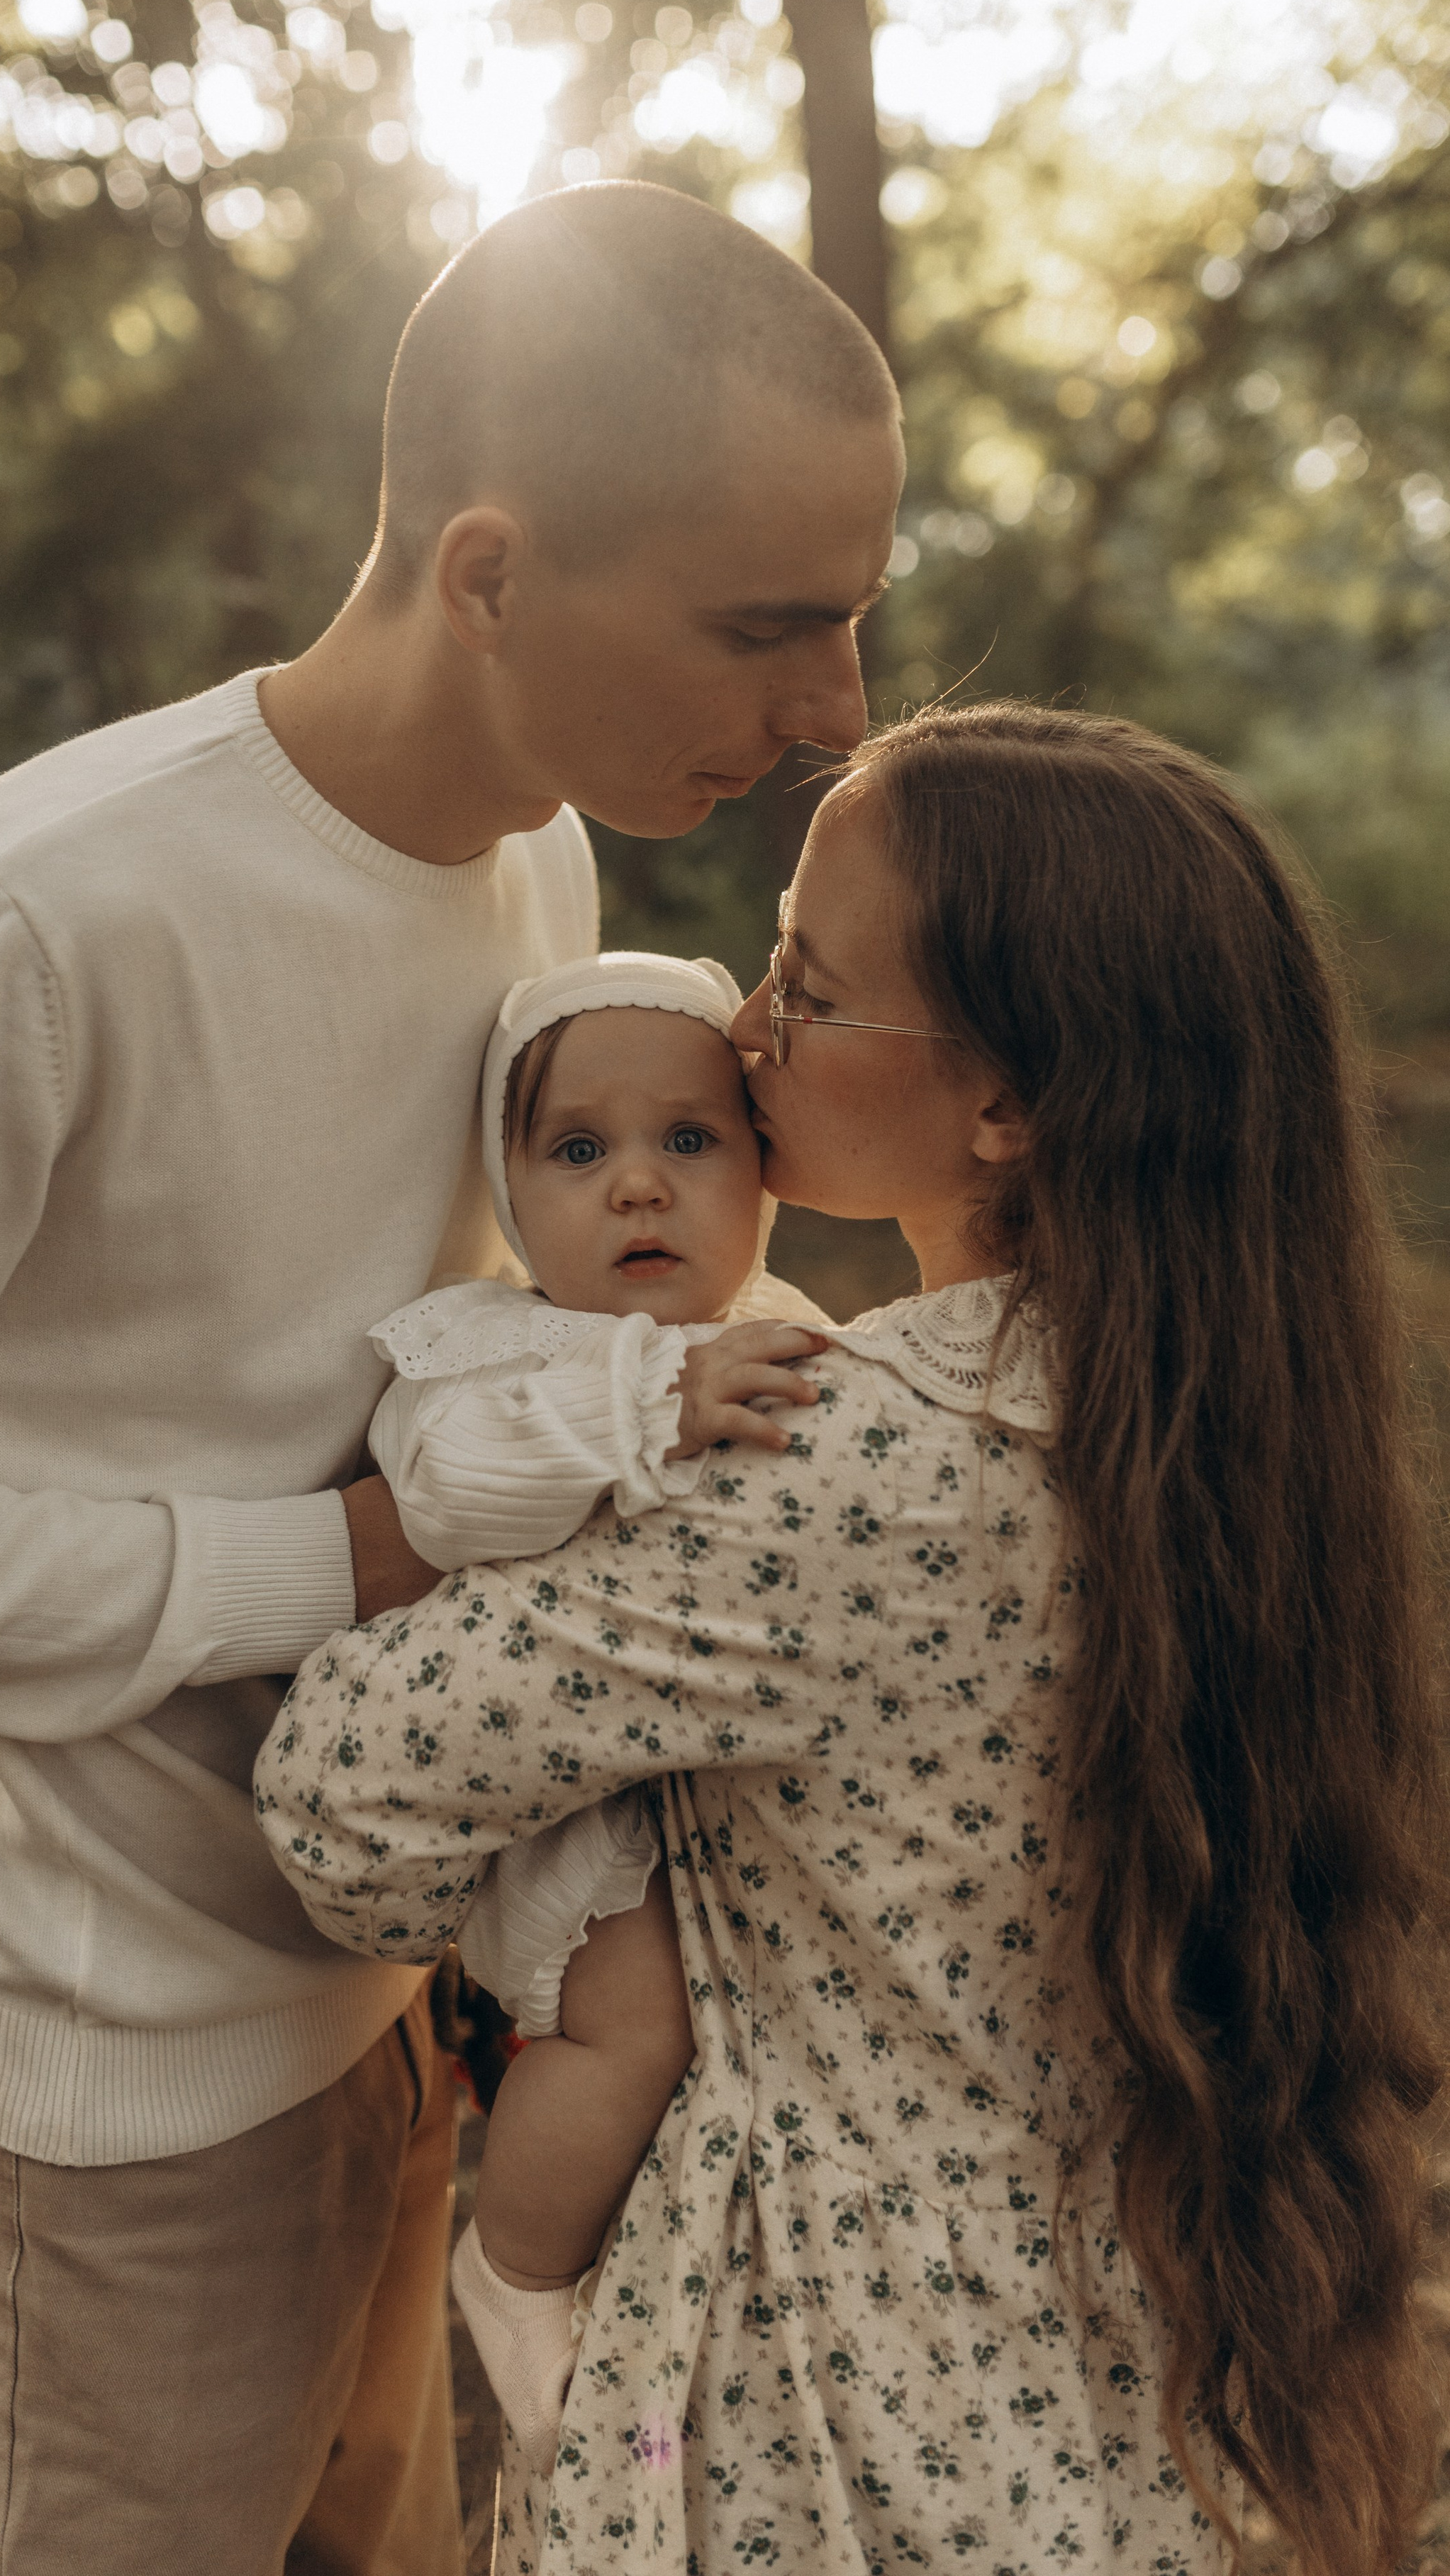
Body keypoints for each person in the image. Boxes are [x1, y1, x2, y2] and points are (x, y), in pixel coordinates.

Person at [0, 179, 902, 2575]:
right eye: (768, 627)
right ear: (491, 574)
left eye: (848, 618)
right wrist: (315, 1565)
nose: (837, 707)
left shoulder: (540, 873)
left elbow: (465, 1366)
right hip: (108, 2089)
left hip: (424, 2002)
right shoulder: (37, 915)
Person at [258, 703, 1446, 2576]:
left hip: (820, 2409)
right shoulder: (1229, 1418)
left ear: (1006, 1107)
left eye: (809, 989)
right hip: (1159, 2371)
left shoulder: (843, 1461)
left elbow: (342, 1798)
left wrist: (563, 1915)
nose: (745, 1028)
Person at [364, 948, 835, 2465]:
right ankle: (515, 2272)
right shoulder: (494, 1353)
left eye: (688, 1138)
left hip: (747, 1797)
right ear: (507, 1189)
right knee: (637, 2030)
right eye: (578, 1150)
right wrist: (645, 1407)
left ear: (763, 1169)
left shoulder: (789, 1325)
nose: (638, 1185)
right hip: (586, 1821)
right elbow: (445, 1497)